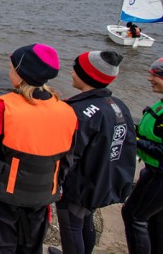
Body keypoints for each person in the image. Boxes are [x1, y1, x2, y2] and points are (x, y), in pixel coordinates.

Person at [0, 44, 78, 253]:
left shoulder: (3, 108)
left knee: (2, 241)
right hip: (43, 192)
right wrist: (56, 186)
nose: (9, 72)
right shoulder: (67, 112)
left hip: (6, 192)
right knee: (32, 243)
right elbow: (68, 158)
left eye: (11, 68)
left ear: (21, 74)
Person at [53, 51, 136, 254]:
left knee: (71, 225)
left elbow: (68, 154)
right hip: (102, 180)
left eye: (75, 69)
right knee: (85, 220)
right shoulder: (118, 105)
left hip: (80, 183)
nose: (71, 73)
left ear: (86, 75)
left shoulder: (80, 111)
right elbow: (126, 145)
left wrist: (56, 183)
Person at [122, 58, 163, 253]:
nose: (149, 79)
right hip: (153, 171)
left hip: (160, 174)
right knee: (155, 218)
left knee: (134, 216)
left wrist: (135, 140)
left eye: (155, 76)